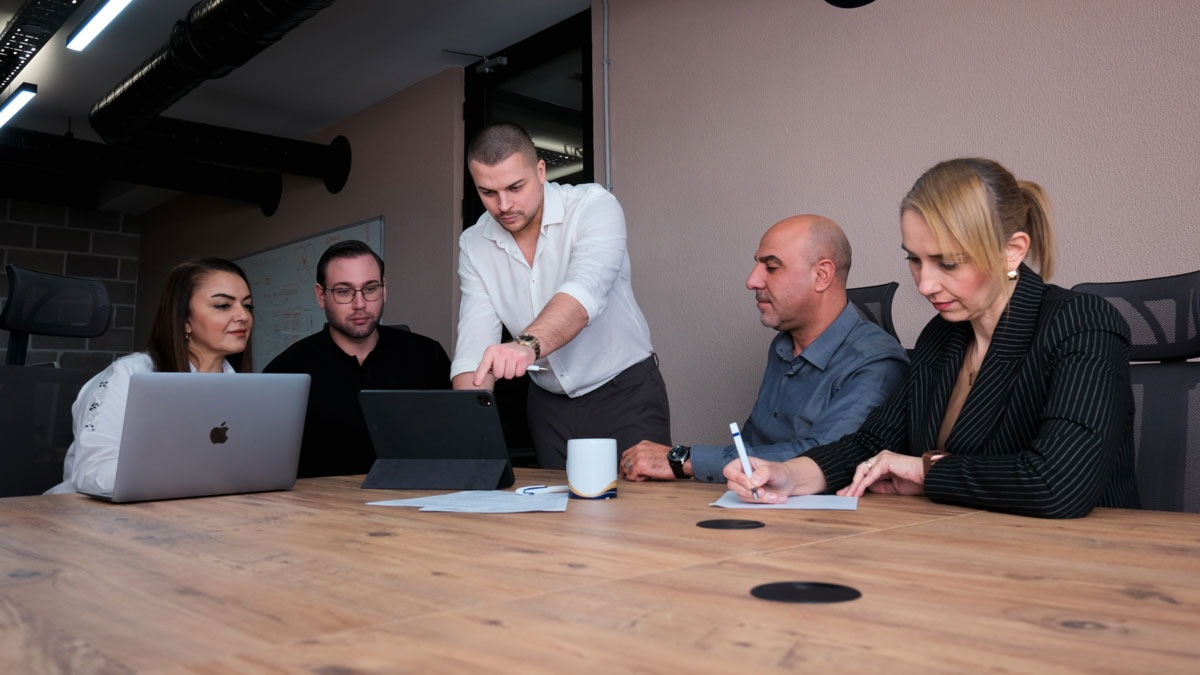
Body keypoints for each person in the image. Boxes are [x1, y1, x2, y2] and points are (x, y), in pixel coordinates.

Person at [725, 158, 1140, 518]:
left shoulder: (1083, 323)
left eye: (948, 262)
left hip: (1085, 563)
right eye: (915, 259)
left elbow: (1058, 482)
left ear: (1012, 250)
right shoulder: (942, 336)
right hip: (960, 546)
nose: (924, 285)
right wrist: (790, 475)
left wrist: (925, 470)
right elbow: (873, 442)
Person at [621, 215, 909, 483]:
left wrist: (684, 460)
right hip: (760, 500)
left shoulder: (876, 362)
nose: (752, 281)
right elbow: (753, 445)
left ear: (822, 275)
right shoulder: (784, 344)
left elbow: (825, 456)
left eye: (771, 267)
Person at [452, 122, 670, 469]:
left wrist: (524, 346)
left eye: (515, 187)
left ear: (540, 171)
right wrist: (466, 425)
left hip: (624, 393)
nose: (503, 205)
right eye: (488, 192)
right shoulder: (473, 243)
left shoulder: (594, 206)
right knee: (555, 518)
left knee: (641, 512)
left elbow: (582, 296)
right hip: (547, 405)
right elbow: (474, 343)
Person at [47, 258, 255, 495]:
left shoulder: (244, 388)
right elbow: (93, 472)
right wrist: (190, 479)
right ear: (185, 320)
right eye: (223, 305)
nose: (243, 316)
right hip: (101, 517)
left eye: (248, 306)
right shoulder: (130, 374)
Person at [264, 240, 450, 477]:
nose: (359, 304)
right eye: (344, 291)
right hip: (320, 509)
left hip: (411, 503)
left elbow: (455, 443)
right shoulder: (286, 372)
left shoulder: (427, 356)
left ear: (384, 289)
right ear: (321, 296)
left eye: (370, 288)